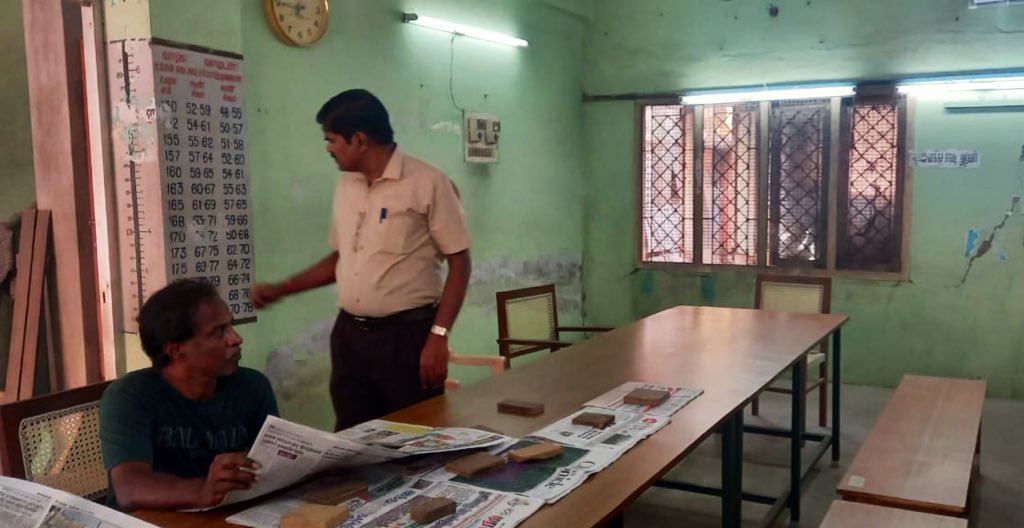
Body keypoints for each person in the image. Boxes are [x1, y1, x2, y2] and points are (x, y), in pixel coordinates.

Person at [252, 88, 471, 431]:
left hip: (407, 338)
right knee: (352, 435)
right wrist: (283, 288)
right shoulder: (347, 185)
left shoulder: (428, 183)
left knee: (413, 436)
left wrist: (438, 336)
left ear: (359, 140)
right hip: (350, 337)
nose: (328, 148)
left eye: (331, 140)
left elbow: (460, 264)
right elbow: (341, 259)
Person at [99, 279, 279, 511]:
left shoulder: (253, 386)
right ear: (177, 351)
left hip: (222, 516)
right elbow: (130, 488)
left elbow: (275, 465)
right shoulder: (129, 397)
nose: (236, 338)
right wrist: (203, 490)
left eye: (231, 326)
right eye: (219, 331)